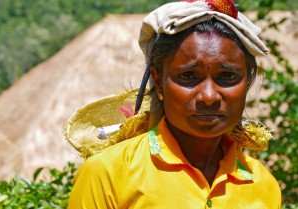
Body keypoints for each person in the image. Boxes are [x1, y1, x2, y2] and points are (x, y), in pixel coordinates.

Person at [65, 0, 281, 208]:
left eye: (227, 77)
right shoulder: (108, 174)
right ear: (158, 83)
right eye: (188, 76)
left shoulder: (263, 185)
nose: (209, 96)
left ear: (247, 84)